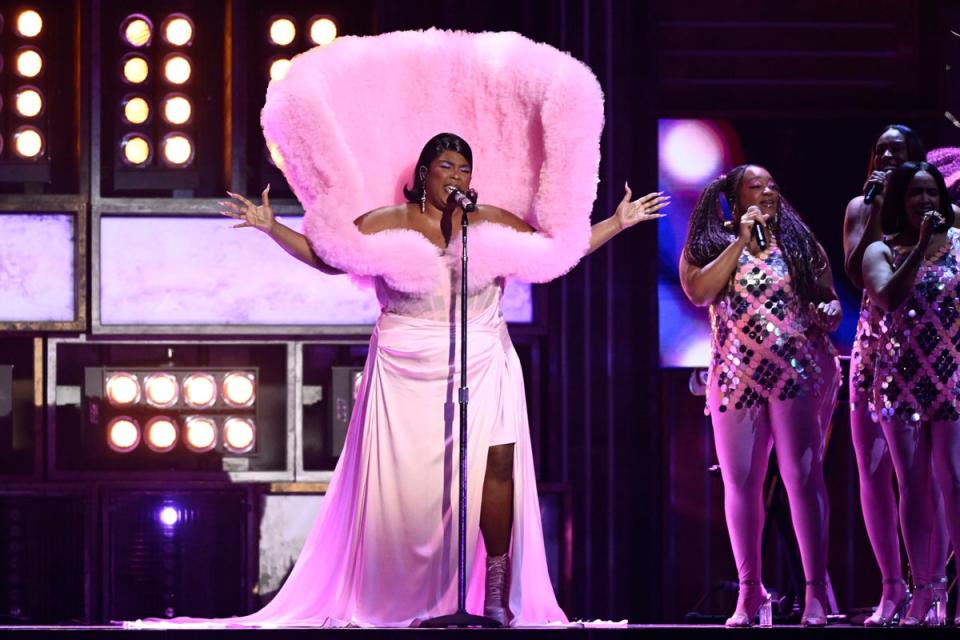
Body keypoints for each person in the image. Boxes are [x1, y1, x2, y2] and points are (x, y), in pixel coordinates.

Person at [218, 133, 669, 627]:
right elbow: (329, 258)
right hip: (404, 364)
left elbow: (552, 256)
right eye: (447, 167)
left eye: (464, 170)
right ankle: (395, 594)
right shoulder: (386, 223)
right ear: (424, 173)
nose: (456, 177)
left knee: (497, 465)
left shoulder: (489, 223)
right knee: (408, 486)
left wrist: (617, 222)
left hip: (483, 356)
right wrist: (271, 227)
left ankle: (495, 597)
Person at [679, 164, 841, 627]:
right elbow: (699, 291)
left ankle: (813, 594)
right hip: (736, 376)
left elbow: (828, 302)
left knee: (801, 479)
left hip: (793, 373)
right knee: (741, 484)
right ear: (734, 197)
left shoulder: (799, 243)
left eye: (773, 184)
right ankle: (750, 593)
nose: (769, 191)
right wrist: (740, 241)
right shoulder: (709, 245)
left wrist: (827, 310)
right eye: (757, 186)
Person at [842, 125, 951, 626]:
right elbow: (859, 274)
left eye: (897, 150)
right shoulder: (865, 211)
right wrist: (877, 206)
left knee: (942, 475)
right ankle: (894, 587)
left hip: (943, 355)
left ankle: (935, 585)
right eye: (879, 148)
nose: (886, 154)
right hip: (882, 347)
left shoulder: (948, 228)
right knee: (878, 470)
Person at [862, 161, 960, 627]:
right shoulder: (881, 250)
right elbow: (888, 298)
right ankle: (924, 590)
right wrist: (919, 248)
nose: (925, 201)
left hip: (954, 376)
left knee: (955, 480)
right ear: (902, 201)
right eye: (916, 193)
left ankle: (952, 592)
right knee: (913, 485)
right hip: (900, 381)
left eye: (932, 193)